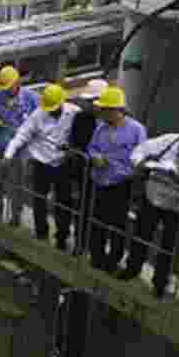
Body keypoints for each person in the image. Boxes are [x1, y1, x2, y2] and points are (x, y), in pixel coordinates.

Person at [120, 122, 179, 299]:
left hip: (177, 207)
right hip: (152, 197)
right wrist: (144, 163)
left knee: (169, 248)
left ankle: (159, 284)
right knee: (141, 235)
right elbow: (138, 152)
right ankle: (132, 269)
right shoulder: (168, 141)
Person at [2, 83, 79, 250]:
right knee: (39, 199)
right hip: (41, 163)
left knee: (63, 203)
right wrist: (8, 154)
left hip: (62, 164)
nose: (51, 111)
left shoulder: (74, 112)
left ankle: (61, 237)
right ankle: (41, 232)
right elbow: (22, 134)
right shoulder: (38, 115)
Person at [85, 86, 146, 273]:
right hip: (101, 182)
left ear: (115, 110)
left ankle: (113, 261)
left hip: (122, 185)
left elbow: (143, 156)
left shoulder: (136, 130)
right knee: (98, 222)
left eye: (104, 110)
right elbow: (92, 148)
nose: (101, 113)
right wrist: (95, 157)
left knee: (118, 225)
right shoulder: (100, 128)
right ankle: (97, 258)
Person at [0, 65, 40, 226]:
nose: (7, 90)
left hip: (19, 147)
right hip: (0, 143)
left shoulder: (31, 98)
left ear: (17, 83)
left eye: (9, 86)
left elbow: (40, 119)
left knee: (17, 183)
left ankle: (15, 215)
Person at [66, 78, 109, 255]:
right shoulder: (81, 118)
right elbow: (75, 144)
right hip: (84, 173)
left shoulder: (114, 122)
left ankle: (97, 249)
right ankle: (80, 243)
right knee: (82, 210)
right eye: (90, 101)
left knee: (102, 214)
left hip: (107, 176)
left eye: (93, 101)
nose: (91, 104)